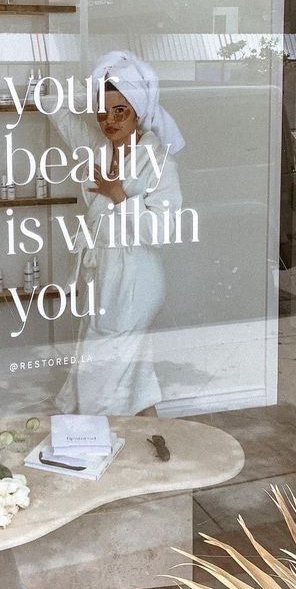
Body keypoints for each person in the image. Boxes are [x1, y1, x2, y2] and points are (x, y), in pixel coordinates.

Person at [47, 50, 184, 416]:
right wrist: (97, 87)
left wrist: (118, 195)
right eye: (102, 110)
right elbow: (52, 105)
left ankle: (99, 447)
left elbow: (164, 231)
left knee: (100, 376)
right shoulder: (98, 148)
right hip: (103, 274)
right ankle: (150, 445)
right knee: (131, 377)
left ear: (140, 109)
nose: (108, 120)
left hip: (135, 278)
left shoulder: (160, 161)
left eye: (121, 110)